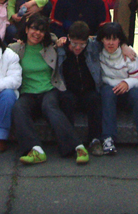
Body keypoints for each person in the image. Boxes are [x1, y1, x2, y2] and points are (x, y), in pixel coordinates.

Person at [10, 15, 89, 165]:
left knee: (49, 106)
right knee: (19, 108)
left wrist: (124, 46)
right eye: (33, 28)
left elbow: (82, 41)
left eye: (41, 30)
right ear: (26, 29)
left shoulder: (52, 46)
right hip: (27, 92)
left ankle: (77, 146)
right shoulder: (15, 49)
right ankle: (35, 149)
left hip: (49, 89)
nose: (37, 33)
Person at [97, 22, 138, 157]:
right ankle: (108, 139)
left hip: (126, 93)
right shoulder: (98, 52)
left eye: (114, 39)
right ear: (102, 40)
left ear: (119, 40)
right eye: (107, 39)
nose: (111, 43)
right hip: (109, 93)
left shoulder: (129, 54)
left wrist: (126, 83)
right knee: (107, 92)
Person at [55, 21, 105, 157]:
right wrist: (58, 42)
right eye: (74, 43)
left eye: (82, 44)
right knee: (66, 99)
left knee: (95, 99)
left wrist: (124, 46)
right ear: (68, 39)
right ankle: (69, 140)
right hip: (69, 90)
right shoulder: (61, 50)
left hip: (88, 91)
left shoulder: (92, 47)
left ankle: (95, 140)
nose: (78, 48)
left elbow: (108, 36)